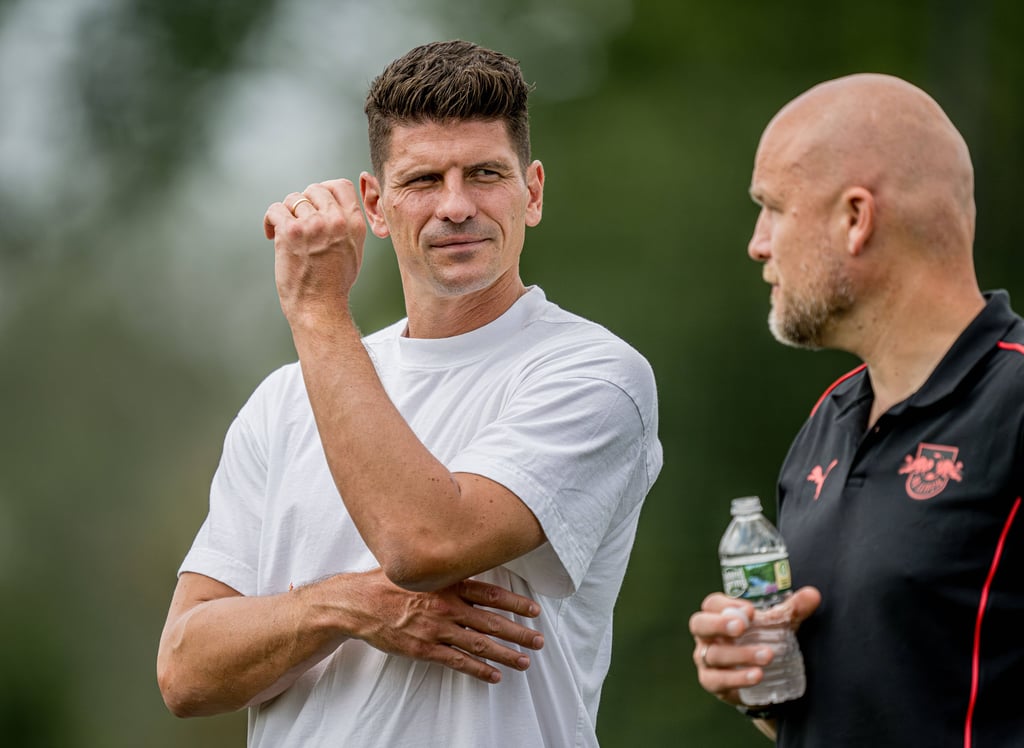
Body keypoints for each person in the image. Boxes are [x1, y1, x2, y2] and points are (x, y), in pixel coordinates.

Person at [156, 40, 662, 747]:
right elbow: (186, 673)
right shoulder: (284, 398)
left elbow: (424, 544)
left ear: (533, 192)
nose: (456, 206)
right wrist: (343, 606)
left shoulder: (593, 374)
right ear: (376, 203)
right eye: (423, 180)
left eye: (485, 174)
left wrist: (318, 310)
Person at [688, 73, 1024, 747]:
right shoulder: (831, 417)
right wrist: (753, 679)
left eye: (773, 208)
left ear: (855, 219)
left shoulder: (1013, 402)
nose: (758, 243)